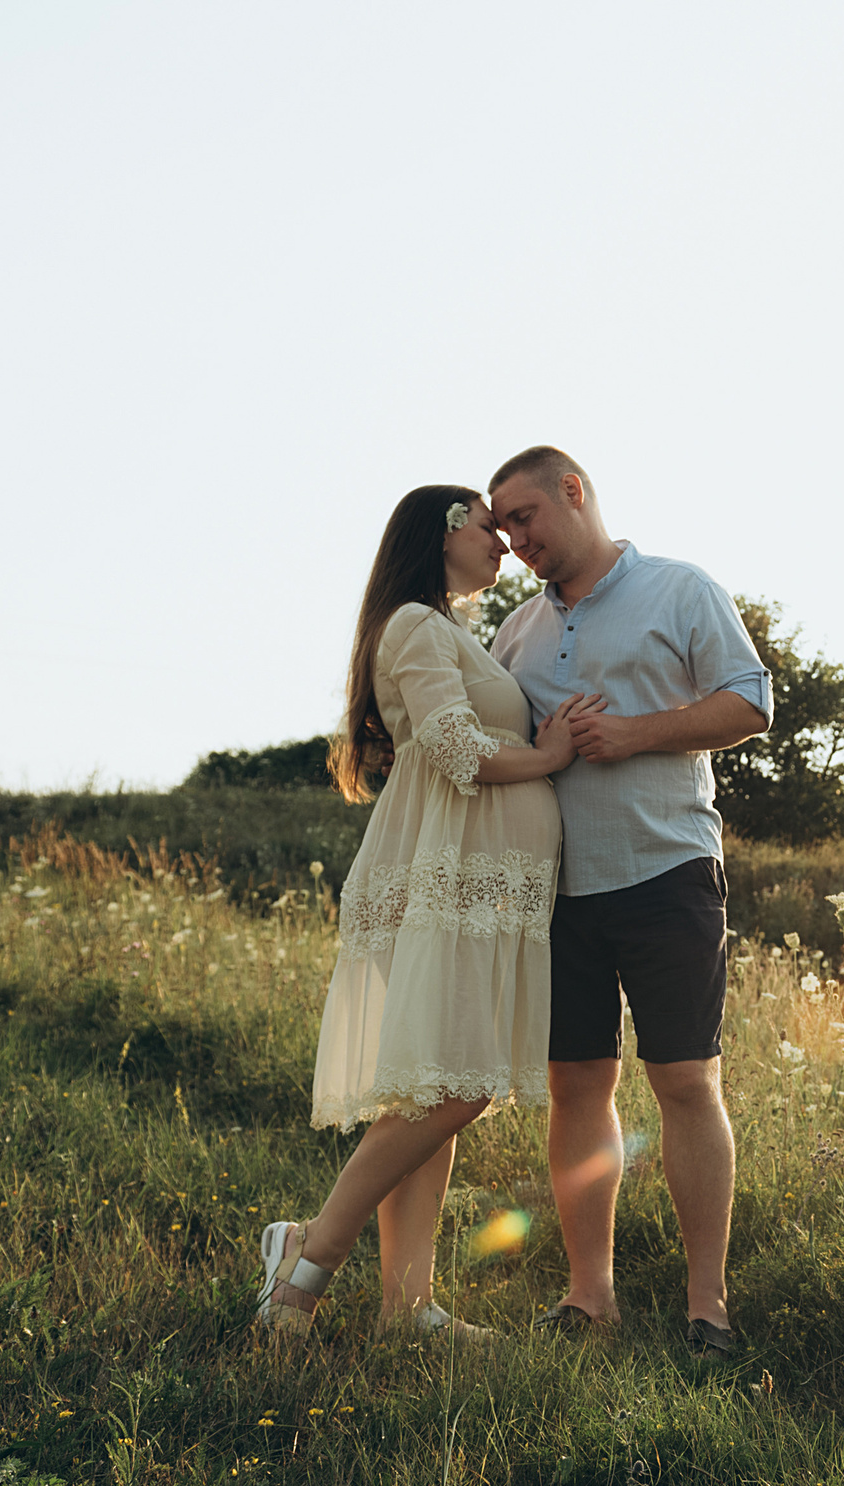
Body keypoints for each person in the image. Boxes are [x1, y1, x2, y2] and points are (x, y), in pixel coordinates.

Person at [254, 485, 598, 1341]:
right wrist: (548, 752)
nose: (503, 544)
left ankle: (407, 1306)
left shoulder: (450, 631)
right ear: (441, 535)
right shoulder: (413, 624)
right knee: (458, 1086)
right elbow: (452, 750)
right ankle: (307, 1258)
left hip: (478, 883)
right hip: (439, 881)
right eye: (489, 527)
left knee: (431, 1085)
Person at [486, 445, 772, 1356]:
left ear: (575, 493)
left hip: (666, 870)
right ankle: (589, 1298)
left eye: (526, 516)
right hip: (558, 890)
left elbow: (749, 701)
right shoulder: (517, 632)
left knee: (684, 1080)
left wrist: (635, 734)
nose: (517, 539)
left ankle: (708, 1310)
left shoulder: (680, 589)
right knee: (576, 1085)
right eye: (503, 528)